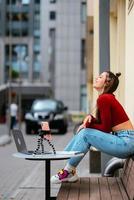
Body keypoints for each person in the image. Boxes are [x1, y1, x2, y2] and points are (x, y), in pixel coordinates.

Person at [51, 71, 134, 184]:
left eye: (100, 77)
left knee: (86, 134)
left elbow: (105, 128)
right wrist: (90, 118)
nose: (96, 78)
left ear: (107, 83)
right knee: (85, 132)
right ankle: (66, 163)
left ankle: (68, 169)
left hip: (126, 142)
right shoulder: (106, 98)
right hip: (126, 141)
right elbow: (106, 124)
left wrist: (88, 124)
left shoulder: (104, 99)